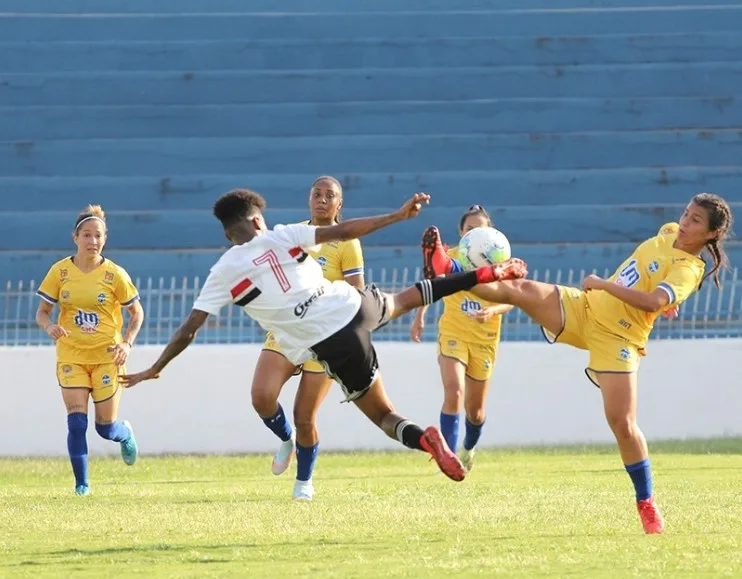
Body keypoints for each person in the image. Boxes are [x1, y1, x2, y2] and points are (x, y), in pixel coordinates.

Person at [121, 189, 527, 498]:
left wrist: (156, 368)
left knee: (385, 417)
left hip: (331, 342)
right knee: (407, 297)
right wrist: (397, 215)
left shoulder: (223, 271)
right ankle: (485, 275)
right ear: (258, 220)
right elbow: (345, 230)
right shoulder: (283, 235)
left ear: (229, 234)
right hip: (352, 304)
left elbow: (189, 328)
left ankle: (426, 441)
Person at [421, 193, 734, 534]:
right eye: (686, 214)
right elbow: (653, 282)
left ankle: (646, 503)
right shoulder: (669, 231)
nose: (684, 223)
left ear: (712, 234)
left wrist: (609, 286)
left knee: (622, 424)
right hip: (583, 308)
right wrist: (659, 301)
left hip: (619, 338)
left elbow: (653, 300)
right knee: (516, 288)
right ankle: (448, 267)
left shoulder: (688, 269)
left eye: (695, 221)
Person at [251, 176, 366, 499]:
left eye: (331, 195)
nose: (323, 199)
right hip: (288, 329)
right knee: (262, 396)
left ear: (339, 204)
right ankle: (286, 439)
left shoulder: (347, 243)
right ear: (309, 199)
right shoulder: (293, 235)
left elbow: (357, 294)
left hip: (325, 336)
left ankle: (304, 482)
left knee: (305, 415)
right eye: (318, 194)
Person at [35, 205, 144, 496]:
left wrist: (126, 343)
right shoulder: (60, 272)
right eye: (86, 235)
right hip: (71, 355)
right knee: (76, 422)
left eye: (97, 236)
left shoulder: (115, 275)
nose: (92, 241)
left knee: (104, 428)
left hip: (107, 357)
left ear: (104, 239)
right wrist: (50, 328)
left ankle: (124, 434)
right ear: (75, 237)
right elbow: (43, 312)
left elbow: (137, 313)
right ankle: (82, 485)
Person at [410, 205, 513, 471]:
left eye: (481, 227)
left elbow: (512, 300)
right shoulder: (452, 257)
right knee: (454, 392)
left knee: (475, 412)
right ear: (461, 232)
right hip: (454, 332)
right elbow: (433, 283)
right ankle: (449, 458)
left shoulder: (500, 258)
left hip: (485, 339)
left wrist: (492, 310)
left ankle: (468, 448)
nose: (476, 232)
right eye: (470, 228)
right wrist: (420, 315)